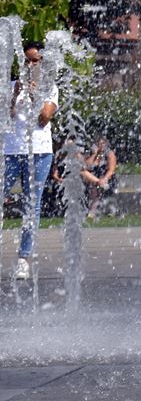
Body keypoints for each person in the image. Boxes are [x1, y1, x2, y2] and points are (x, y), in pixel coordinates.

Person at [3, 43, 59, 280]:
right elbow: (7, 115)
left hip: (40, 152)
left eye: (36, 61)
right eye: (27, 60)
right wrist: (16, 93)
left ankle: (24, 259)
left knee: (31, 204)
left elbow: (44, 118)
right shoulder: (9, 86)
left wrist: (35, 94)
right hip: (11, 151)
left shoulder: (50, 87)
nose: (31, 65)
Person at [80, 135, 118, 213]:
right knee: (84, 175)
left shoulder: (109, 154)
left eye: (103, 144)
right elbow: (86, 167)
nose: (101, 146)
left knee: (95, 187)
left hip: (107, 178)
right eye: (98, 144)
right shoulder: (91, 154)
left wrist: (104, 179)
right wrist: (94, 154)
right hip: (94, 180)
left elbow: (111, 170)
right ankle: (92, 210)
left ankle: (92, 210)